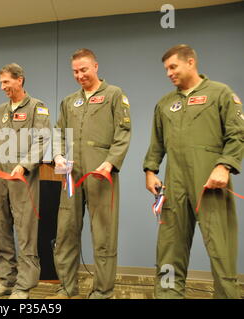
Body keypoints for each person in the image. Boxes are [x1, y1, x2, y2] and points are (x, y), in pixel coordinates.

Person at [143, 44, 243, 299]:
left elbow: (237, 134)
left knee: (221, 250)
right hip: (174, 185)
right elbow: (156, 143)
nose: (168, 73)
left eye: (173, 67)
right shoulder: (165, 104)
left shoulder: (220, 93)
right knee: (169, 248)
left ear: (191, 62)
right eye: (166, 69)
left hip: (210, 183)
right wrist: (151, 171)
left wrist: (224, 166)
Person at [48, 49, 131, 299]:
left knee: (104, 236)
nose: (79, 75)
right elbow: (58, 133)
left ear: (95, 66)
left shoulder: (114, 95)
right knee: (65, 233)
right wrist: (58, 155)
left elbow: (123, 133)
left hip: (101, 174)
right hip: (72, 177)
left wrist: (110, 163)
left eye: (84, 69)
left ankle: (103, 292)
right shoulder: (69, 100)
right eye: (75, 71)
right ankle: (66, 287)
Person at [0, 63, 51, 299]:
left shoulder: (37, 108)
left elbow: (42, 141)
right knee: (0, 228)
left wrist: (25, 165)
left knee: (25, 232)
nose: (3, 87)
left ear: (20, 80)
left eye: (6, 82)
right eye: (1, 82)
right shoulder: (0, 110)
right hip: (1, 178)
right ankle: (6, 280)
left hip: (24, 178)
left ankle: (24, 286)